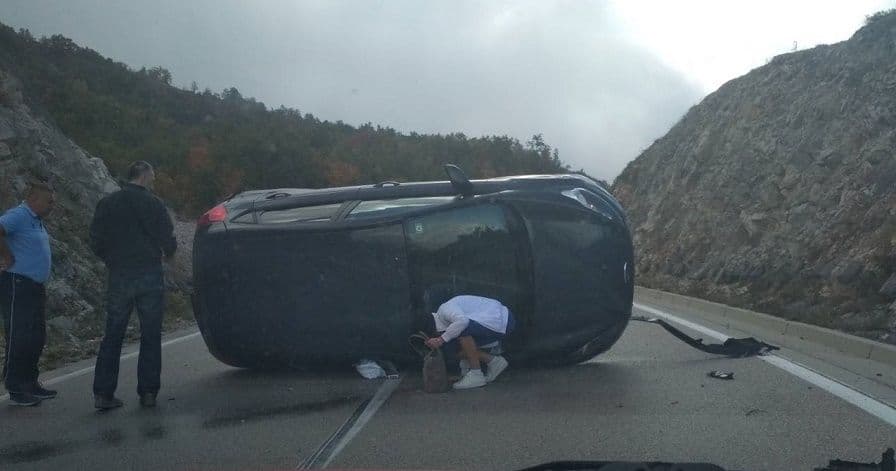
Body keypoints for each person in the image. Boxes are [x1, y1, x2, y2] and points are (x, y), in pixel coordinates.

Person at [89, 161, 176, 410]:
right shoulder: (154, 203)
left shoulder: (109, 203)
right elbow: (166, 236)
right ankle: (148, 392)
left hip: (119, 273)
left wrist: (111, 259)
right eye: (153, 175)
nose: (154, 180)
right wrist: (167, 255)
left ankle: (103, 393)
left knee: (113, 332)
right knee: (150, 333)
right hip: (148, 272)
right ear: (146, 175)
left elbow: (96, 238)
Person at [0, 181, 56, 406]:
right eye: (49, 201)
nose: (52, 206)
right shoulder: (19, 215)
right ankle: (15, 386)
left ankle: (30, 382)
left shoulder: (36, 221)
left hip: (34, 286)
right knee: (19, 335)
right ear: (34, 199)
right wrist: (7, 257)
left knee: (36, 336)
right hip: (18, 283)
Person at [425, 294, 515, 390]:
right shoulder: (445, 318)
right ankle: (493, 362)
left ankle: (476, 374)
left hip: (503, 319)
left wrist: (441, 339)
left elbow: (463, 321)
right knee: (455, 343)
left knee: (461, 330)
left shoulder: (444, 310)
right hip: (496, 321)